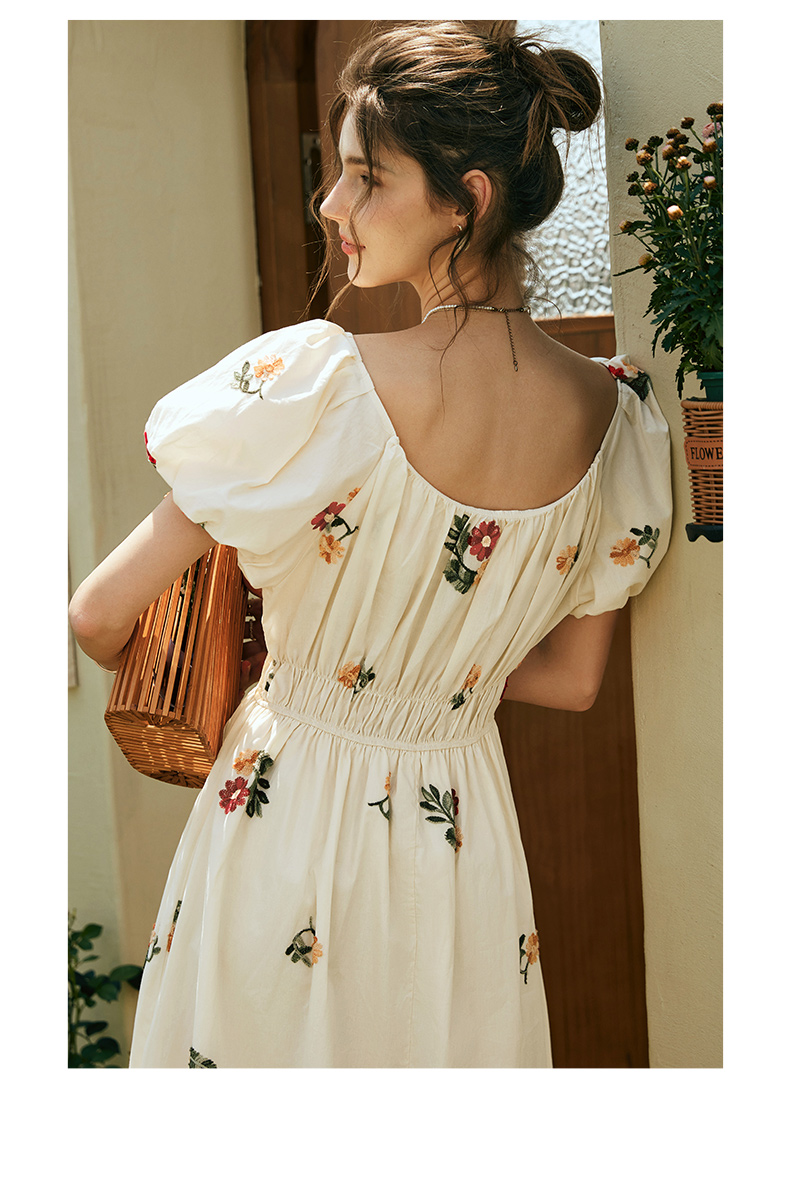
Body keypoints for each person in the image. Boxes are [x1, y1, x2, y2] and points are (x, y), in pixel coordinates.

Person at [69, 20, 672, 1068]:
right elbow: (575, 682)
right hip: (460, 837)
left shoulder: (319, 388)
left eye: (366, 177)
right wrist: (429, 673)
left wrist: (305, 664)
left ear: (465, 198)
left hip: (287, 812)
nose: (331, 204)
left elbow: (96, 616)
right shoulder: (616, 421)